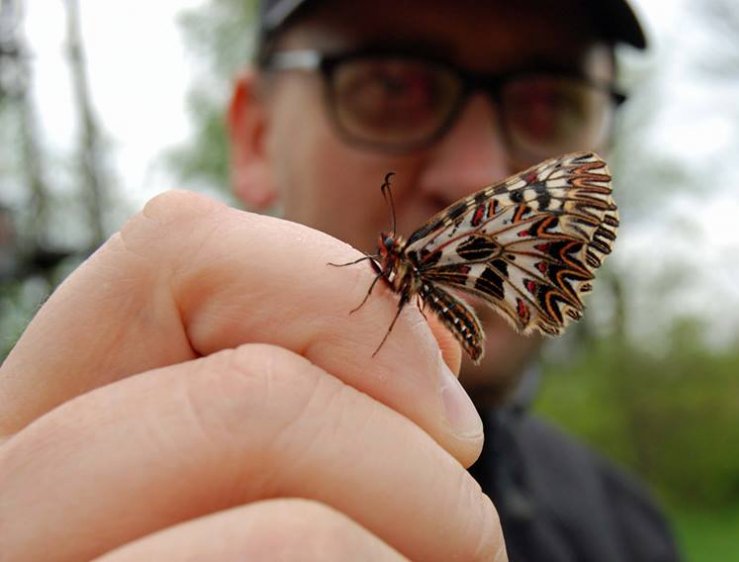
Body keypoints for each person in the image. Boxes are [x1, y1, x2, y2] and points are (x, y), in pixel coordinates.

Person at [0, 0, 680, 560]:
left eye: (548, 103)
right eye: (393, 85)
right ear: (257, 135)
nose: (477, 173)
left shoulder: (629, 531)